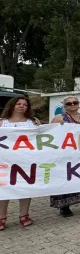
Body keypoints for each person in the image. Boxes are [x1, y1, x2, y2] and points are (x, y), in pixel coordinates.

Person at [0, 96, 39, 230]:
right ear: (12, 105)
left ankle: (24, 215)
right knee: (3, 189)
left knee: (25, 188)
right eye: (19, 104)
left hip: (25, 161)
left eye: (25, 104)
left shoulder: (32, 123)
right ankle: (1, 218)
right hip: (4, 162)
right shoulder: (2, 122)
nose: (22, 106)